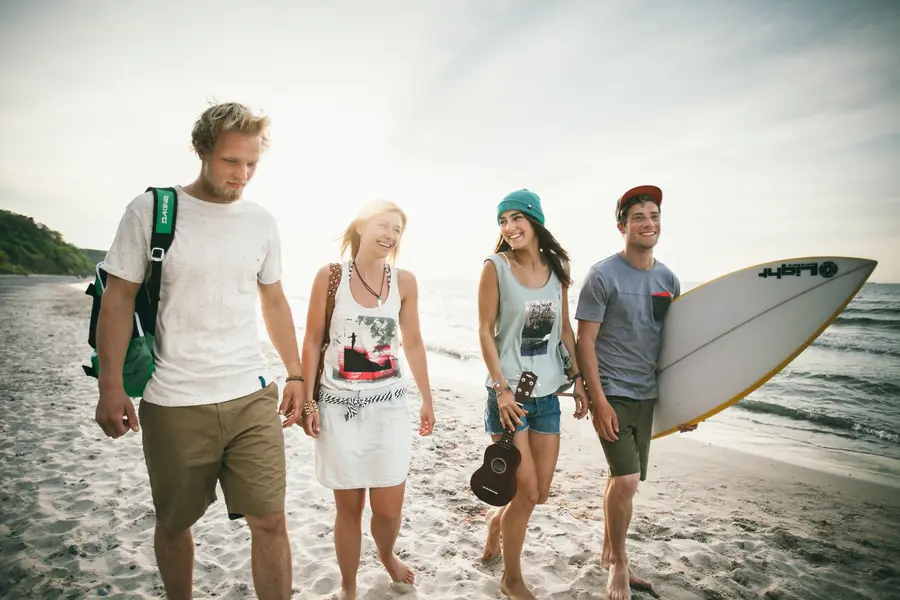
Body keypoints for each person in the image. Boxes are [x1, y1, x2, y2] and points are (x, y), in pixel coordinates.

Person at [94, 101, 303, 600]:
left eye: (252, 163)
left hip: (250, 393)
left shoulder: (261, 221)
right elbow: (117, 300)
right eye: (232, 161)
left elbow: (272, 299)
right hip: (173, 399)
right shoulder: (151, 211)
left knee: (271, 520)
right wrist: (111, 387)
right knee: (174, 522)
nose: (243, 174)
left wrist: (295, 373)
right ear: (203, 151)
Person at [300, 199, 436, 600]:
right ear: (360, 226)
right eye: (383, 224)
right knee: (350, 509)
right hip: (339, 409)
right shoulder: (331, 277)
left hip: (390, 408)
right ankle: (348, 585)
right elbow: (311, 340)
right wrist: (308, 401)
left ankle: (386, 554)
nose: (390, 235)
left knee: (389, 509)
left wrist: (427, 398)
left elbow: (412, 342)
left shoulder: (405, 282)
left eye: (397, 229)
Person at [574, 184, 696, 600]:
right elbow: (584, 341)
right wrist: (598, 399)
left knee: (620, 478)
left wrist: (687, 405)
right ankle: (620, 565)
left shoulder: (669, 279)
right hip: (614, 392)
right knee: (627, 480)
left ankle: (609, 551)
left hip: (648, 395)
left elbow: (675, 346)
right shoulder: (603, 275)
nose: (649, 223)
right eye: (639, 217)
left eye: (654, 216)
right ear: (622, 225)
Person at [477, 189, 588, 600]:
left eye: (515, 218)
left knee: (539, 494)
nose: (509, 227)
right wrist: (502, 389)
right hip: (510, 398)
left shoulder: (557, 268)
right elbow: (485, 332)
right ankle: (511, 579)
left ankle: (496, 523)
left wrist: (579, 380)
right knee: (524, 491)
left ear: (535, 220)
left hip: (547, 396)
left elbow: (563, 330)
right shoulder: (495, 267)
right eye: (502, 221)